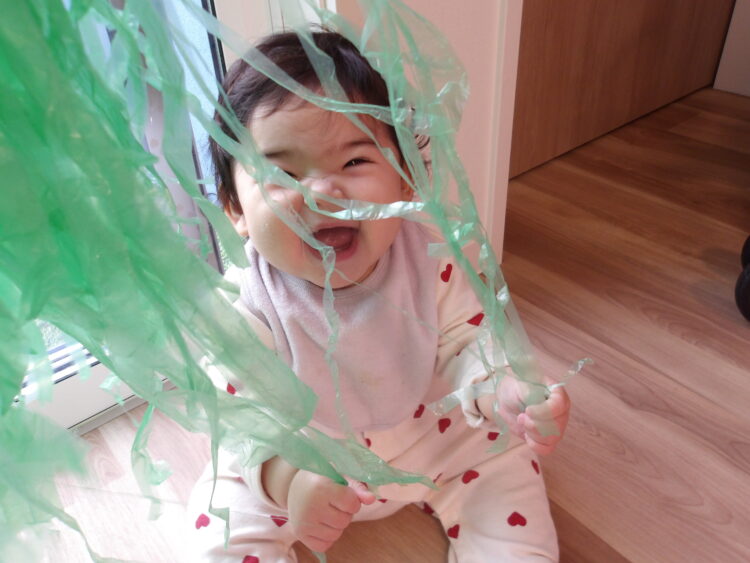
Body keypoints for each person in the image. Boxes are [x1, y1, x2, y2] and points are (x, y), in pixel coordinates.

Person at [187, 29, 570, 562]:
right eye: (282, 173)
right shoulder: (243, 302)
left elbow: (467, 342)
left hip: (432, 436)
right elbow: (243, 417)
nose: (323, 192)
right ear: (236, 212)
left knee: (504, 461)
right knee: (221, 524)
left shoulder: (430, 258)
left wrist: (502, 388)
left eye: (354, 163)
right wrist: (289, 480)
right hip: (307, 458)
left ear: (406, 181)